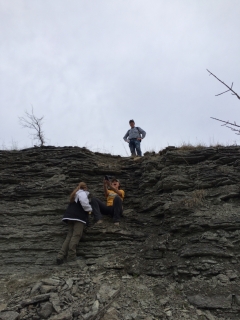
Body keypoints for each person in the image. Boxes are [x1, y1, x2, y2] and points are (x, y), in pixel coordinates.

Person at [56, 182, 92, 264]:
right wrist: (90, 210)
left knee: (69, 236)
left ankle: (60, 256)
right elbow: (85, 204)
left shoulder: (74, 194)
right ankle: (71, 256)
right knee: (76, 235)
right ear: (85, 188)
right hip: (78, 218)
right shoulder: (82, 193)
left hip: (70, 217)